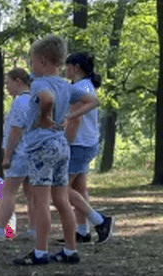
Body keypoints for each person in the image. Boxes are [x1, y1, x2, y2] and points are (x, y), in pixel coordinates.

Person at [6, 35, 101, 265]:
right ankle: (71, 250)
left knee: (41, 202)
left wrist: (45, 116)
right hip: (61, 145)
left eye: (32, 61)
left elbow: (46, 99)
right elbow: (93, 101)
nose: (31, 66)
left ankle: (40, 252)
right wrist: (68, 115)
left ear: (43, 61)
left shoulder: (39, 83)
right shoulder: (66, 86)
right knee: (61, 200)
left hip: (41, 145)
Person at [62, 52, 110, 244]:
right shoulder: (86, 86)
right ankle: (82, 231)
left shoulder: (79, 88)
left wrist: (65, 144)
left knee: (61, 188)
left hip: (78, 144)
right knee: (79, 189)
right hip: (87, 143)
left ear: (76, 68)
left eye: (67, 66)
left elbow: (75, 120)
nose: (65, 69)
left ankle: (100, 221)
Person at [0, 68, 38, 241]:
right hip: (33, 152)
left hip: (19, 153)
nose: (7, 87)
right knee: (31, 193)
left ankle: (0, 230)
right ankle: (33, 230)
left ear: (18, 81)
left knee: (8, 192)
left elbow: (15, 131)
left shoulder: (20, 102)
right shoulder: (35, 100)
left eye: (8, 83)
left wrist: (7, 156)